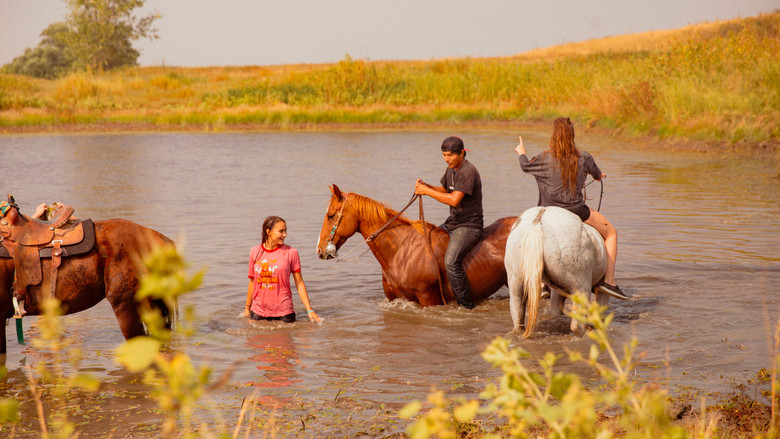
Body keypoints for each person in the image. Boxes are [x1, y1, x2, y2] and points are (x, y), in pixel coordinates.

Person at [514, 117, 626, 299]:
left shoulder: (543, 157)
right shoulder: (584, 156)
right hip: (576, 211)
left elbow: (525, 166)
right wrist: (599, 176)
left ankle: (542, 284)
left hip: (548, 213)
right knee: (611, 232)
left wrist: (521, 152)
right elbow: (597, 174)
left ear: (553, 136)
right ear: (572, 135)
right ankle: (610, 282)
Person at [415, 136, 483, 309]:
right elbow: (445, 190)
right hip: (453, 222)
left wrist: (427, 192)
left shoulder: (467, 171)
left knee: (451, 263)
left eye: (451, 155)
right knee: (427, 245)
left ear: (462, 153)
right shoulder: (451, 169)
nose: (447, 159)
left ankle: (467, 306)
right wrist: (427, 186)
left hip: (469, 225)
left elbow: (454, 200)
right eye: (444, 155)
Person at [243, 216, 321, 323]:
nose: (285, 235)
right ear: (268, 232)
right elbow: (252, 281)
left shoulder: (291, 252)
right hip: (258, 312)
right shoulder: (254, 252)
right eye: (281, 231)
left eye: (286, 231)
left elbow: (299, 283)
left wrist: (309, 310)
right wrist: (247, 309)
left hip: (284, 313)